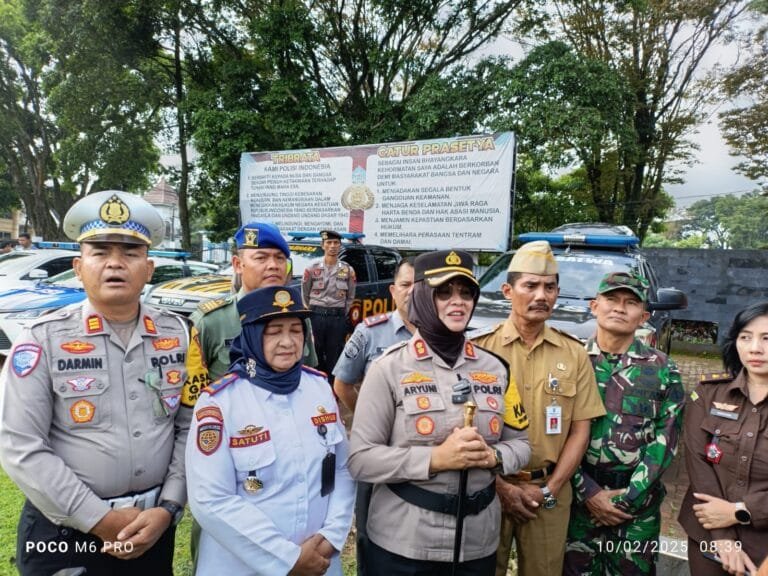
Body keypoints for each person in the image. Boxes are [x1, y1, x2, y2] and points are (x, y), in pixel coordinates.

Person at [0, 190, 190, 575]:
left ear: (149, 268)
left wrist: (169, 508)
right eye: (100, 252)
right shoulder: (42, 339)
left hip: (151, 527)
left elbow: (189, 427)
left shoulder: (180, 334)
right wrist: (99, 521)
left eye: (131, 252)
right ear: (79, 265)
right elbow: (21, 445)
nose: (115, 263)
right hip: (63, 534)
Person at [349, 249, 531, 576]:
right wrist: (436, 460)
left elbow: (522, 445)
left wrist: (493, 457)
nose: (457, 301)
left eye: (466, 292)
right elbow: (361, 459)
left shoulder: (497, 368)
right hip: (404, 543)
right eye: (443, 293)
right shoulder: (388, 368)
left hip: (475, 546)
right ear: (420, 296)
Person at [186, 285, 355, 575]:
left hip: (319, 559)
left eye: (296, 330)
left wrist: (331, 537)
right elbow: (210, 499)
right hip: (243, 565)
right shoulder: (220, 402)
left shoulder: (318, 388)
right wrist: (287, 558)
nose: (288, 342)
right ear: (251, 334)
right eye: (273, 332)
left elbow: (341, 468)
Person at [182, 220, 317, 570]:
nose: (273, 265)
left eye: (279, 258)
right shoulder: (211, 322)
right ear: (238, 265)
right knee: (219, 550)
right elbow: (192, 397)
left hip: (283, 459)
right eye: (261, 257)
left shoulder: (299, 318)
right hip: (226, 460)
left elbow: (308, 381)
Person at [470, 240, 605, 576]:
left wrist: (551, 488)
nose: (541, 296)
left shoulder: (573, 353)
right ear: (507, 290)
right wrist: (501, 488)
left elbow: (580, 429)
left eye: (549, 287)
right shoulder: (477, 351)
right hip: (488, 489)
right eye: (530, 286)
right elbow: (464, 427)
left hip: (550, 494)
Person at [564, 271, 685, 575]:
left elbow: (666, 439)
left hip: (637, 508)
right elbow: (555, 435)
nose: (620, 307)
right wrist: (587, 492)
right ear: (594, 306)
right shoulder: (571, 361)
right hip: (579, 502)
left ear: (643, 316)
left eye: (630, 302)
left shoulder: (662, 369)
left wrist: (630, 498)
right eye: (611, 299)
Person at [332, 257, 415, 575]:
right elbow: (342, 384)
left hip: (423, 453)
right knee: (370, 531)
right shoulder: (370, 333)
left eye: (419, 286)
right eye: (405, 285)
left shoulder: (442, 336)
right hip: (378, 450)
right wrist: (370, 421)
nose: (412, 292)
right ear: (393, 291)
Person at [679, 300, 768, 575]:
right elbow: (699, 465)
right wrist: (724, 538)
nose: (755, 348)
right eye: (746, 337)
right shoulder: (708, 393)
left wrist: (742, 510)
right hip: (709, 537)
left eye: (767, 338)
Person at [302, 229, 356, 380]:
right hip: (316, 316)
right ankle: (315, 383)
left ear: (340, 246)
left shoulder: (347, 270)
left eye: (336, 243)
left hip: (337, 318)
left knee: (335, 353)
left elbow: (350, 296)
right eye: (329, 243)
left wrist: (341, 312)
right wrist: (312, 310)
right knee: (315, 352)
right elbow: (305, 293)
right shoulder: (312, 268)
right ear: (323, 245)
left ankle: (333, 389)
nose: (332, 246)